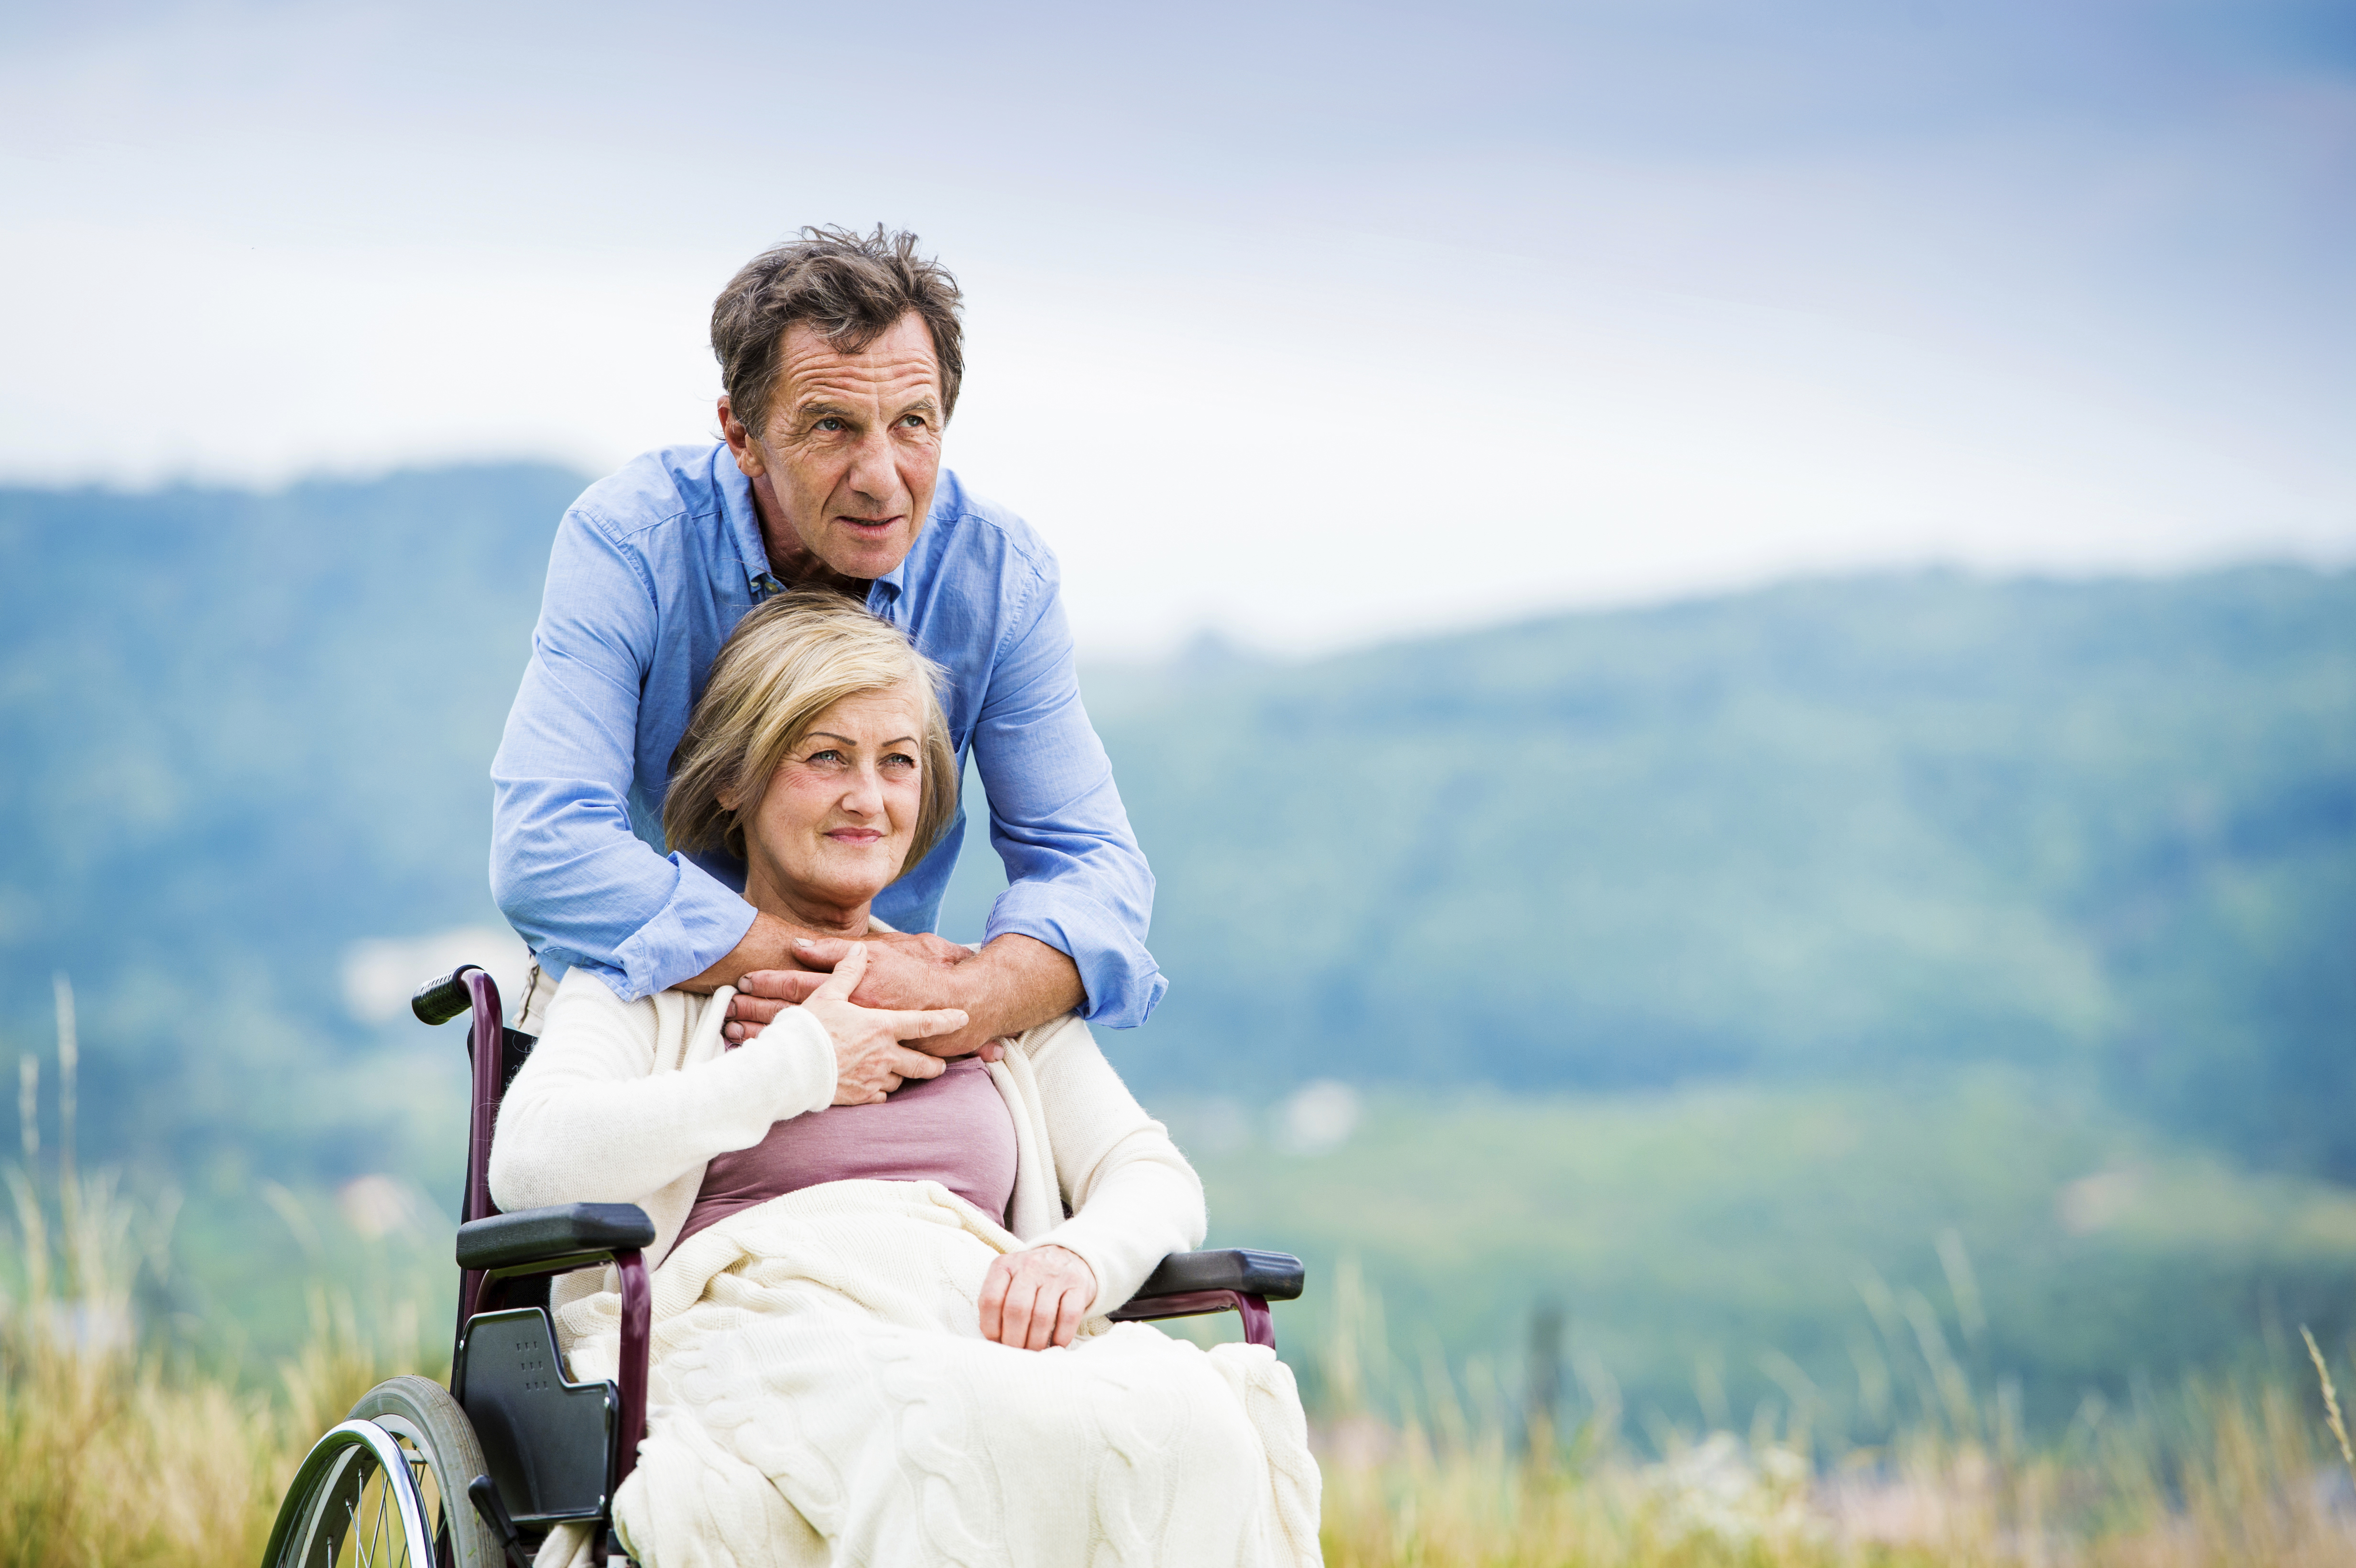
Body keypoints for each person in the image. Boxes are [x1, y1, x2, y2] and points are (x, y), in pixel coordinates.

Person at [491, 592, 1319, 1567]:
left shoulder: (972, 990)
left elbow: (1152, 1172)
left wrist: (1078, 1259)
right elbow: (531, 1166)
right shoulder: (646, 975)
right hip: (764, 1323)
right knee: (945, 1434)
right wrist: (799, 1065)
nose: (868, 797)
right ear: (735, 781)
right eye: (824, 756)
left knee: (1199, 1423)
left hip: (976, 1325)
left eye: (898, 762)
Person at [490, 226, 1160, 1059]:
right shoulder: (631, 542)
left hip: (895, 1031)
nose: (881, 477)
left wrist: (963, 993)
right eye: (833, 426)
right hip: (640, 1011)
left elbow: (1095, 866)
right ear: (741, 437)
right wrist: (836, 971)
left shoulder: (1000, 577)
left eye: (913, 423)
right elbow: (545, 851)